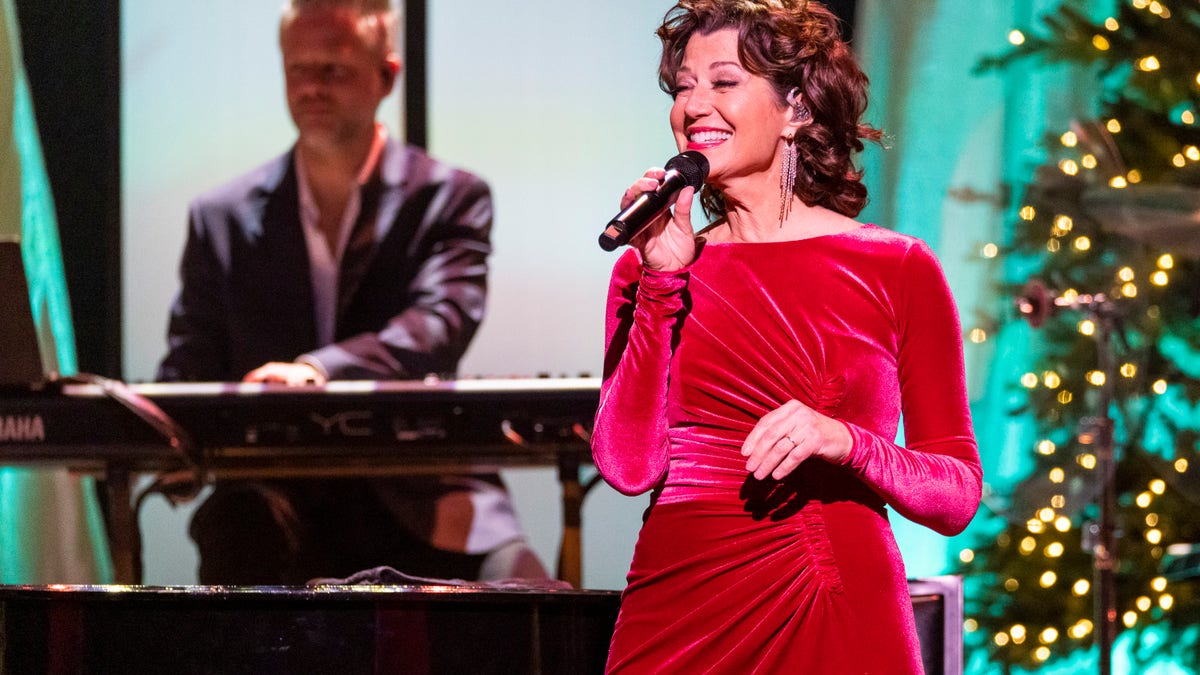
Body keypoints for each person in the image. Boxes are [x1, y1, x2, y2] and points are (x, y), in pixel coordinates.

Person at [591, 1, 983, 672]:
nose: (695, 106)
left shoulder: (897, 269)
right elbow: (628, 467)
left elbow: (955, 493)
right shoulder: (649, 265)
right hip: (680, 612)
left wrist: (847, 441)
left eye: (723, 82)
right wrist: (661, 285)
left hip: (837, 605)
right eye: (684, 86)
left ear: (797, 108)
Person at [158, 0, 547, 585]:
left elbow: (438, 324)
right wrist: (146, 431)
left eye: (333, 70)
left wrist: (318, 369)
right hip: (277, 501)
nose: (311, 87)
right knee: (236, 547)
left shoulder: (452, 197)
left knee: (530, 603)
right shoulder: (222, 217)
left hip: (425, 493)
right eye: (298, 70)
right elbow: (192, 361)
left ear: (385, 78)